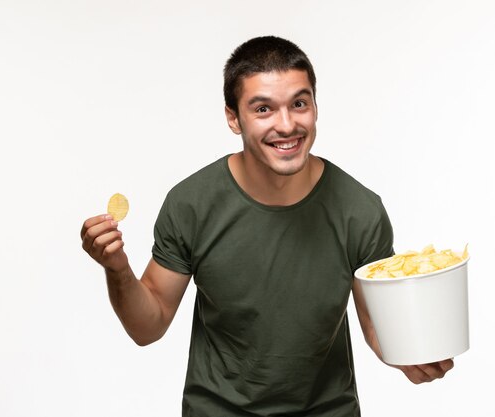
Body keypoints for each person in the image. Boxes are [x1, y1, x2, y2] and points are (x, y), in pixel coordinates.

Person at [80, 35, 454, 416]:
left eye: (299, 104)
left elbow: (377, 327)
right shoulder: (191, 204)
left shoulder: (359, 210)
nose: (287, 125)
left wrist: (409, 354)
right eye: (263, 109)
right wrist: (118, 270)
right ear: (233, 117)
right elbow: (149, 325)